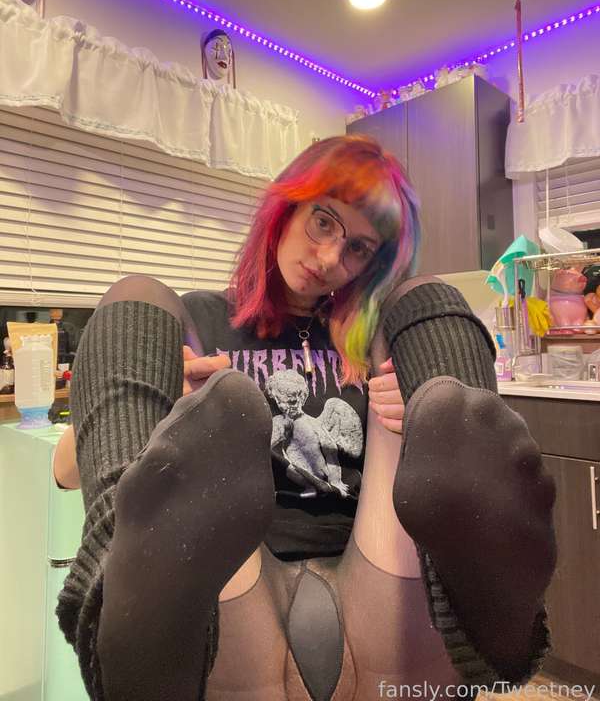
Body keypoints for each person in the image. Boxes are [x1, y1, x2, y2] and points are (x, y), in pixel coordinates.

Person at [53, 135, 556, 701]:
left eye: (359, 248)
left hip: (381, 592)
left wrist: (420, 409)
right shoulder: (196, 319)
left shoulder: (377, 338)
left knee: (425, 302)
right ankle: (121, 591)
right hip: (229, 597)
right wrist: (167, 406)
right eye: (323, 222)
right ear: (286, 207)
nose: (330, 260)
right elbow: (66, 469)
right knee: (141, 298)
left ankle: (487, 592)